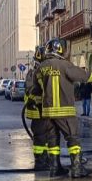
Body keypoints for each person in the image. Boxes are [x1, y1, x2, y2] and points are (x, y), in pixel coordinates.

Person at [36, 38, 92, 178]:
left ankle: (54, 168)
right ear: (60, 50)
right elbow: (83, 75)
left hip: (47, 113)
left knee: (52, 141)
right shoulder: (65, 65)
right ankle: (77, 168)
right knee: (73, 139)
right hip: (64, 111)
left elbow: (36, 89)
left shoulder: (41, 67)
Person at [24, 46, 65, 174]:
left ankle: (51, 163)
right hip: (38, 113)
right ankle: (41, 163)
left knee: (51, 138)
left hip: (47, 113)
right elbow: (30, 93)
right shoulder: (34, 74)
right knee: (41, 140)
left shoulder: (40, 72)